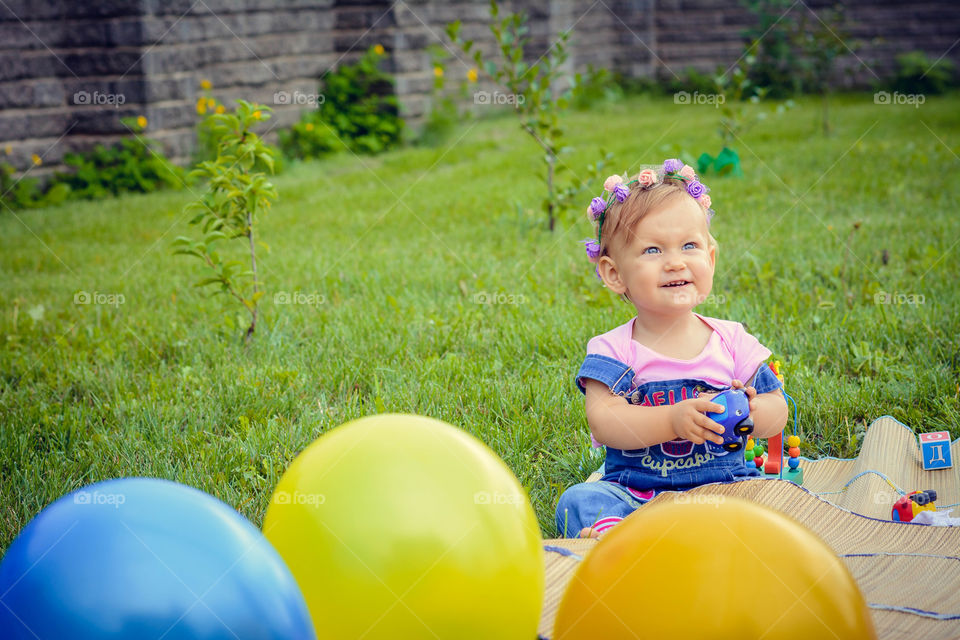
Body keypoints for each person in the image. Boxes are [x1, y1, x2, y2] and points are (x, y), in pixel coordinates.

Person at [555, 159, 788, 538]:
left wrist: (754, 411)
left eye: (690, 246)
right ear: (614, 274)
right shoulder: (613, 351)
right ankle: (623, 536)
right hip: (637, 496)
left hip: (727, 488)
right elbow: (604, 420)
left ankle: (714, 534)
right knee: (578, 501)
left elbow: (777, 408)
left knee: (783, 495)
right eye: (652, 251)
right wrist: (671, 421)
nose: (675, 262)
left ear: (710, 258)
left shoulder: (732, 340)